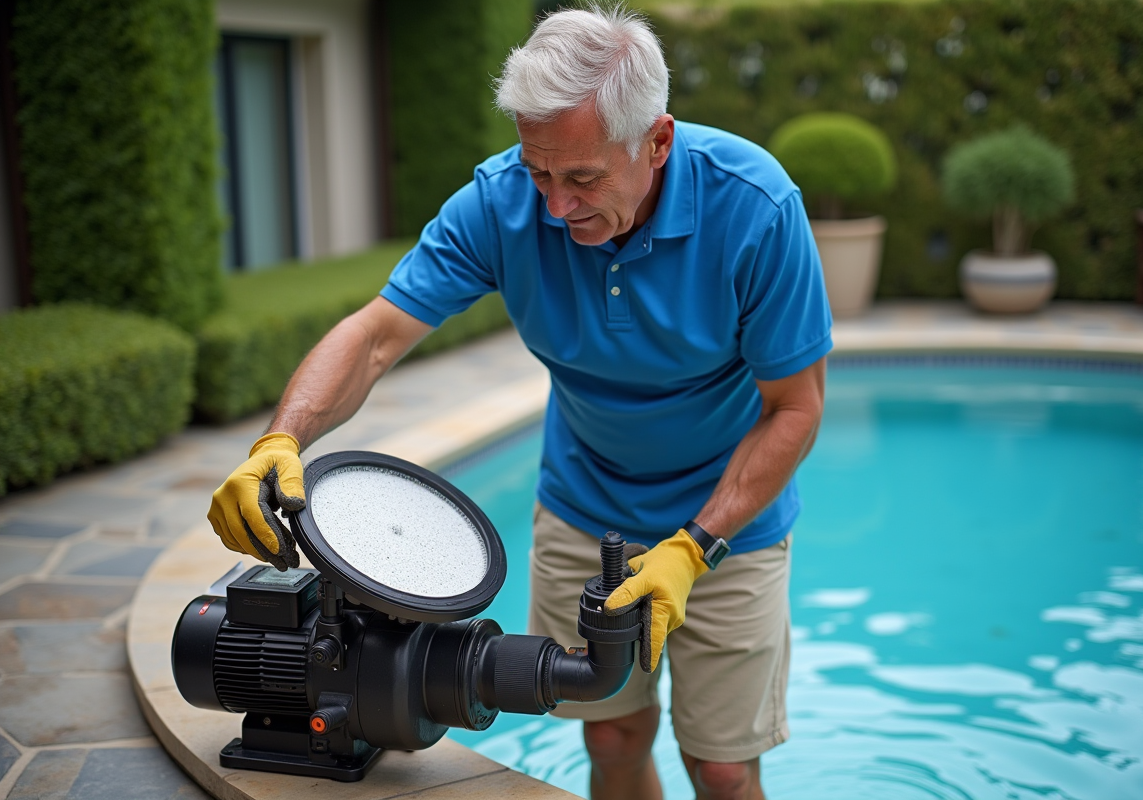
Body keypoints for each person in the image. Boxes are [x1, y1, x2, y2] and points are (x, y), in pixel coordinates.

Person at [207, 6, 830, 800]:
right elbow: (374, 337)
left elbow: (796, 410)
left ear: (658, 141)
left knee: (724, 768)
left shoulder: (756, 208)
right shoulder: (502, 203)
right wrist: (278, 441)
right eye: (540, 171)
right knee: (608, 731)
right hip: (584, 507)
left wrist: (693, 545)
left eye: (583, 178)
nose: (555, 207)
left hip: (726, 531)